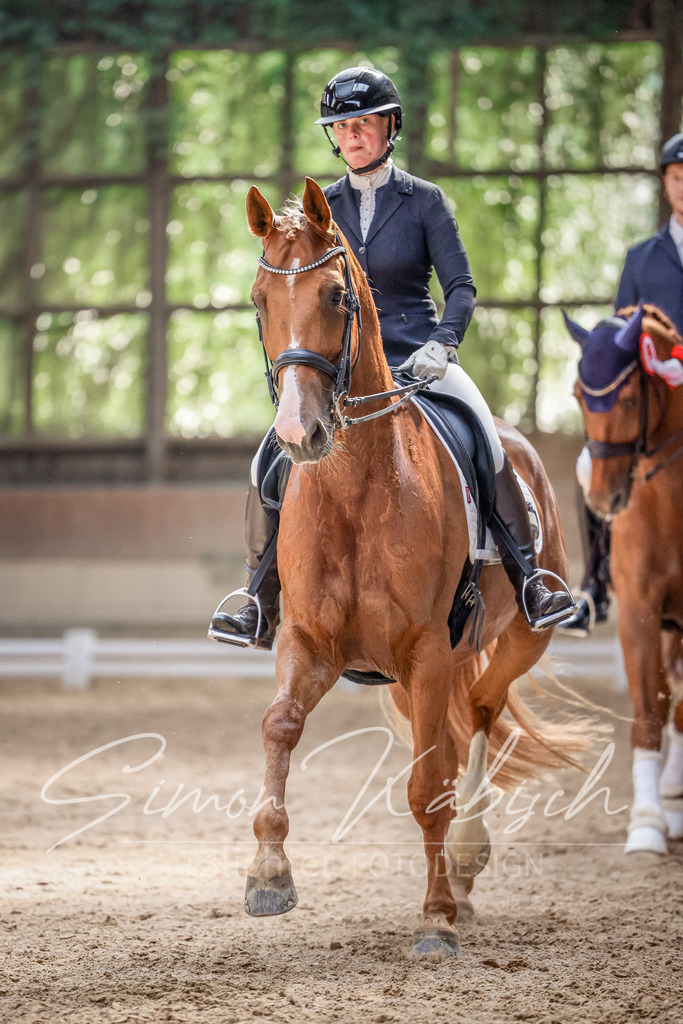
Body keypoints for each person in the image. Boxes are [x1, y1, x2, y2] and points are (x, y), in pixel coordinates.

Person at [210, 67, 575, 649]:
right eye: (343, 126)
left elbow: (461, 287)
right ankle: (258, 594)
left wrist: (444, 343)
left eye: (364, 124)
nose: (353, 135)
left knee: (486, 437)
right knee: (268, 460)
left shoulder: (425, 201)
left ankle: (532, 578)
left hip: (422, 356)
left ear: (389, 127)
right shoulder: (316, 210)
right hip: (346, 371)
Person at [559, 130, 683, 636]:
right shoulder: (642, 258)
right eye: (677, 179)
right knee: (591, 464)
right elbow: (621, 335)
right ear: (666, 183)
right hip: (657, 401)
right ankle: (594, 586)